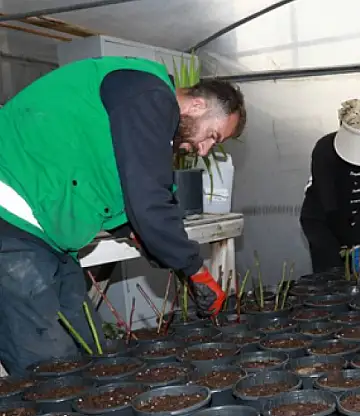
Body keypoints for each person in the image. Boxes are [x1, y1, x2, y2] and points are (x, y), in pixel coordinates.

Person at [0, 56, 242, 377]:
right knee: (50, 374)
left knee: (92, 353)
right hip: (12, 226)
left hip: (47, 237)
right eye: (213, 136)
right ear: (197, 105)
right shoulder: (149, 94)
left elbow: (132, 195)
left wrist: (144, 239)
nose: (203, 150)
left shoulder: (140, 103)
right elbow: (149, 201)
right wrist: (194, 268)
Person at [301, 99, 360, 273]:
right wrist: (351, 246)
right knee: (333, 274)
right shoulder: (324, 151)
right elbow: (330, 207)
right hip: (324, 221)